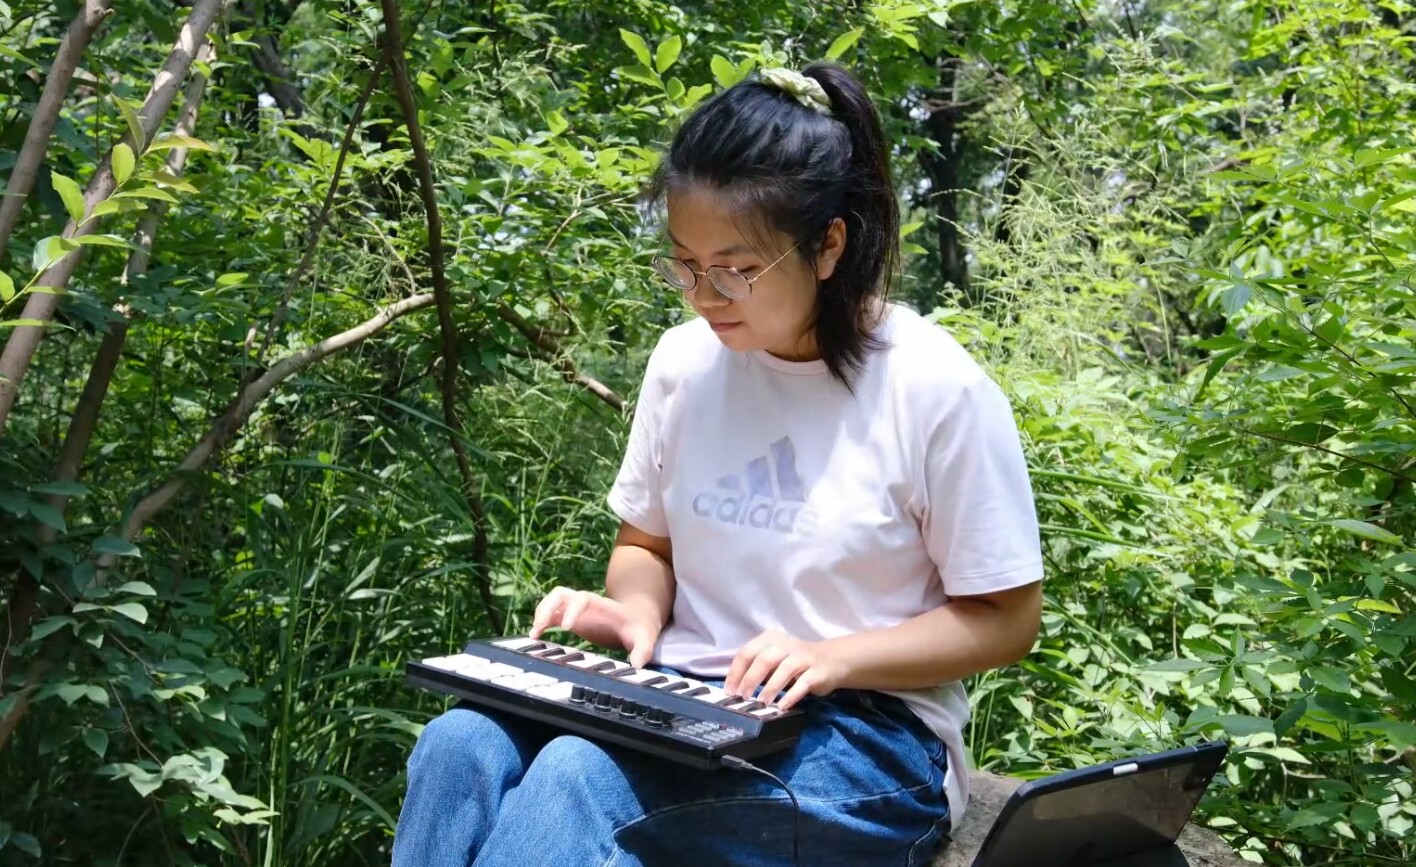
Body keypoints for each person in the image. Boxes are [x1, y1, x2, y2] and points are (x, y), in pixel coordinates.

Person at [392, 60, 1044, 867]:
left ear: (828, 244)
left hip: (869, 735)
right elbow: (646, 546)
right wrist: (635, 612)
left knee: (577, 777)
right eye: (684, 263)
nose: (704, 295)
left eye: (735, 268)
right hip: (678, 702)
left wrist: (834, 655)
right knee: (462, 743)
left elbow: (1006, 618)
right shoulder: (683, 365)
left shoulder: (934, 388)